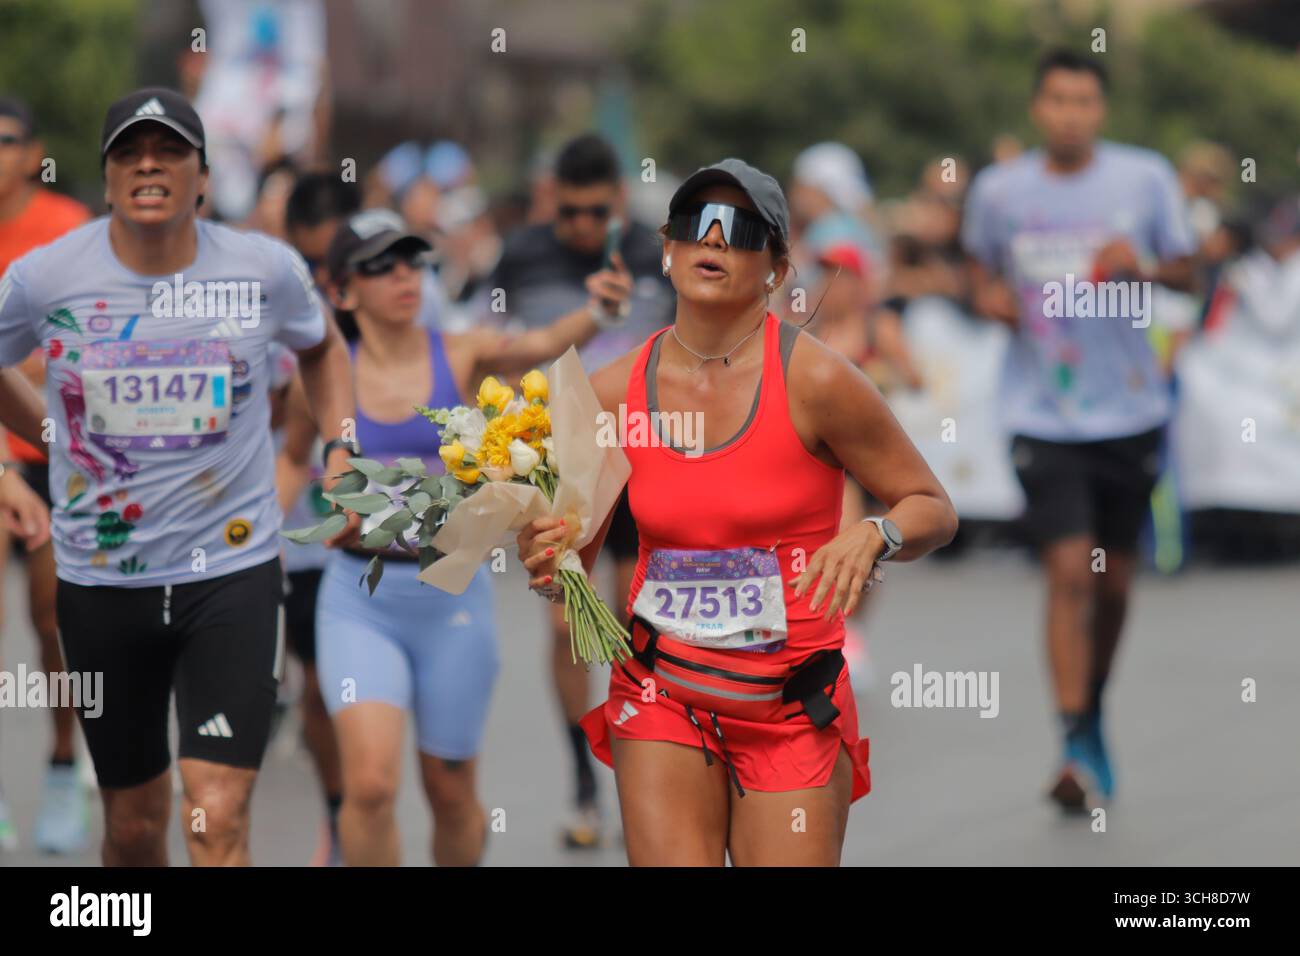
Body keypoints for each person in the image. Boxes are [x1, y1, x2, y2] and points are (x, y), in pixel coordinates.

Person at [516, 159, 957, 865]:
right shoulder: (607, 394)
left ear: (778, 266)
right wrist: (545, 554)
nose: (713, 241)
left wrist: (878, 531)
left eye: (739, 229)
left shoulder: (817, 380)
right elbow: (571, 554)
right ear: (667, 248)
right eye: (695, 226)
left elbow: (932, 505)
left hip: (790, 704)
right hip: (661, 695)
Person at [0, 86, 360, 866]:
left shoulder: (265, 271)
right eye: (129, 153)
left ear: (202, 176)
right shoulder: (47, 276)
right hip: (101, 582)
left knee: (216, 811)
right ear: (107, 178)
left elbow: (323, 347)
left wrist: (342, 447)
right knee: (133, 827)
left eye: (169, 152)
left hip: (231, 574)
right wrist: (23, 449)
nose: (149, 165)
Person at [281, 208, 609, 865]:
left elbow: (539, 344)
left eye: (412, 261)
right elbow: (293, 456)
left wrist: (600, 308)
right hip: (358, 599)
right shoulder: (321, 373)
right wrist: (254, 538)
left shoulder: (457, 352)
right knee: (369, 785)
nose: (404, 275)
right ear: (342, 290)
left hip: (453, 597)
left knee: (451, 789)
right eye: (380, 265)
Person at [962, 50, 1197, 811]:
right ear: (1038, 109)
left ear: (1102, 110)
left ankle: (1093, 708)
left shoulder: (1145, 179)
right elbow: (979, 274)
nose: (1071, 113)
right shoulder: (1000, 191)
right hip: (1041, 412)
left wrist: (1145, 271)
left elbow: (1191, 272)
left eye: (1085, 101)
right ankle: (1071, 738)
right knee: (1069, 574)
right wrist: (992, 301)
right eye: (1058, 100)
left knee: (1114, 583)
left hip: (1131, 408)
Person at [482, 132, 674, 847]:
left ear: (618, 200)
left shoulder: (653, 259)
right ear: (550, 199)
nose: (585, 226)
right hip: (561, 465)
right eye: (571, 212)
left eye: (598, 211)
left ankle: (640, 775)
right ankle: (583, 784)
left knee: (634, 620)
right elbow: (491, 348)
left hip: (645, 460)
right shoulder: (522, 254)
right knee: (566, 625)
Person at [0, 94, 93, 854]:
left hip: (50, 457)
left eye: (4, 141)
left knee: (51, 622)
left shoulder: (66, 230)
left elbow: (70, 351)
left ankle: (64, 764)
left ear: (34, 153)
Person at [276, 170, 364, 865]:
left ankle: (375, 807)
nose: (319, 279)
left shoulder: (398, 302)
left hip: (388, 554)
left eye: (330, 264)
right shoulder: (278, 312)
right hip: (306, 543)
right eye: (306, 263)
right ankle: (339, 818)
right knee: (314, 687)